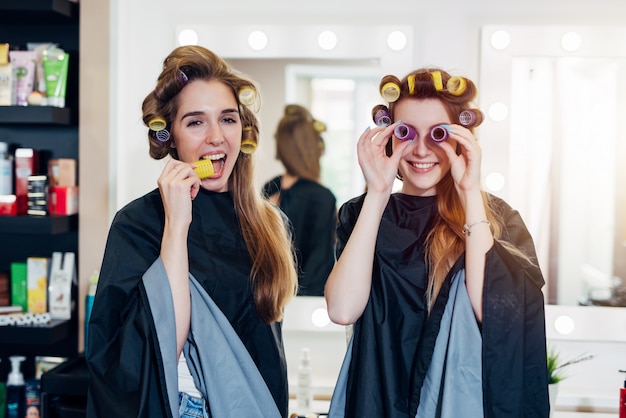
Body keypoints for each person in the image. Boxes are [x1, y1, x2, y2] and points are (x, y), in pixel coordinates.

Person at [86, 45, 298, 418]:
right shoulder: (139, 223)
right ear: (172, 137)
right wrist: (177, 223)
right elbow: (161, 343)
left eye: (228, 119)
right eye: (196, 122)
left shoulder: (267, 222)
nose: (216, 137)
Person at [325, 68, 549, 417]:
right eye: (406, 133)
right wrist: (378, 193)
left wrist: (469, 193)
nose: (421, 149)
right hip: (378, 398)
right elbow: (342, 310)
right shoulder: (361, 213)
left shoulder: (499, 219)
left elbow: (494, 317)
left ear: (460, 139)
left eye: (438, 135)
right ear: (388, 135)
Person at [263, 104, 337, 296]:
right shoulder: (322, 197)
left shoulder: (270, 188)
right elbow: (318, 265)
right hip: (306, 302)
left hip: (269, 296)